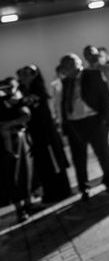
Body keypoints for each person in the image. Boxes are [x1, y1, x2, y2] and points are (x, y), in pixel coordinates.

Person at [59, 53, 109, 200]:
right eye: (66, 65)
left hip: (94, 121)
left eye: (72, 63)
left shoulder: (93, 74)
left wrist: (104, 120)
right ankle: (84, 188)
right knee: (78, 159)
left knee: (103, 153)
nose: (70, 67)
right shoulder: (65, 82)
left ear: (79, 62)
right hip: (74, 124)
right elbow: (64, 103)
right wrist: (65, 125)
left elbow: (105, 96)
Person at [17, 65, 71, 204]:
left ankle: (60, 192)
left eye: (27, 74)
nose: (23, 77)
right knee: (43, 165)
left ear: (34, 76)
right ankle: (50, 193)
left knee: (53, 164)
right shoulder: (23, 91)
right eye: (22, 74)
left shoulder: (37, 91)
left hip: (46, 136)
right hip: (37, 137)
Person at [0, 77, 33, 221]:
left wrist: (9, 124)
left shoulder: (17, 99)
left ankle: (28, 204)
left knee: (26, 172)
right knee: (12, 175)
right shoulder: (2, 102)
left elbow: (26, 115)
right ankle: (20, 209)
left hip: (20, 139)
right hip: (6, 143)